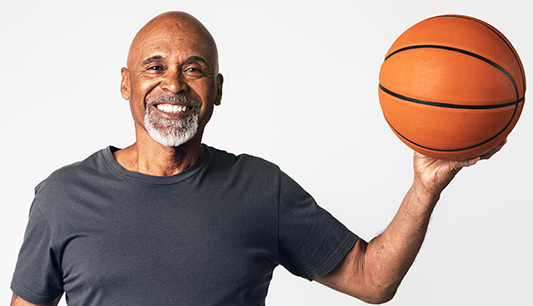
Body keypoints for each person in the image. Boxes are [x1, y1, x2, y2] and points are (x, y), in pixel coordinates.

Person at [10, 11, 503, 306]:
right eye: (154, 67)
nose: (174, 84)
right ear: (126, 84)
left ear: (217, 90)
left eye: (195, 69)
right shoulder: (62, 197)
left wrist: (425, 187)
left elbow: (372, 280)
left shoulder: (261, 189)